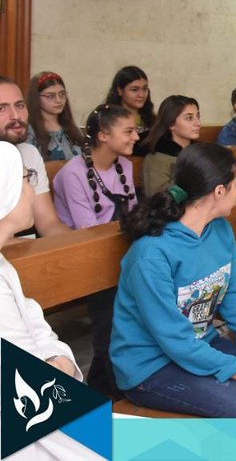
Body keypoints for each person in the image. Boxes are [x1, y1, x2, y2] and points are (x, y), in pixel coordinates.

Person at [110, 143, 236, 417]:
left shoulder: (218, 229)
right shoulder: (151, 255)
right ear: (219, 191)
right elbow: (176, 341)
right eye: (235, 184)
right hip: (151, 366)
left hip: (201, 345)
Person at [0, 143, 92, 460]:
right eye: (26, 179)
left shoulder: (3, 266)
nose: (33, 188)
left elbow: (39, 330)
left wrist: (57, 361)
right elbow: (31, 405)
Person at [52, 104, 139, 397]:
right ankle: (119, 391)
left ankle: (102, 387)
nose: (136, 137)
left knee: (126, 318)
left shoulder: (124, 166)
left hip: (117, 253)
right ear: (103, 135)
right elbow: (87, 231)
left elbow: (134, 216)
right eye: (128, 131)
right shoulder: (73, 174)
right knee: (111, 324)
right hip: (85, 258)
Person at [0, 76, 73, 238]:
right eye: (1, 108)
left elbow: (48, 223)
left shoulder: (29, 153)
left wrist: (78, 247)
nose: (16, 116)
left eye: (19, 105)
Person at [140, 95, 202, 196]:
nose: (198, 123)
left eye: (198, 116)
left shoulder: (200, 153)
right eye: (189, 118)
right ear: (171, 124)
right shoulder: (156, 159)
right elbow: (159, 202)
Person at [26, 71, 85, 160]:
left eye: (62, 94)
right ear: (36, 98)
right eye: (50, 96)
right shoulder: (29, 131)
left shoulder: (73, 129)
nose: (58, 100)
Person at [105, 66, 154, 155]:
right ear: (120, 90)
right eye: (135, 90)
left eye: (144, 89)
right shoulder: (107, 118)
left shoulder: (153, 120)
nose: (141, 95)